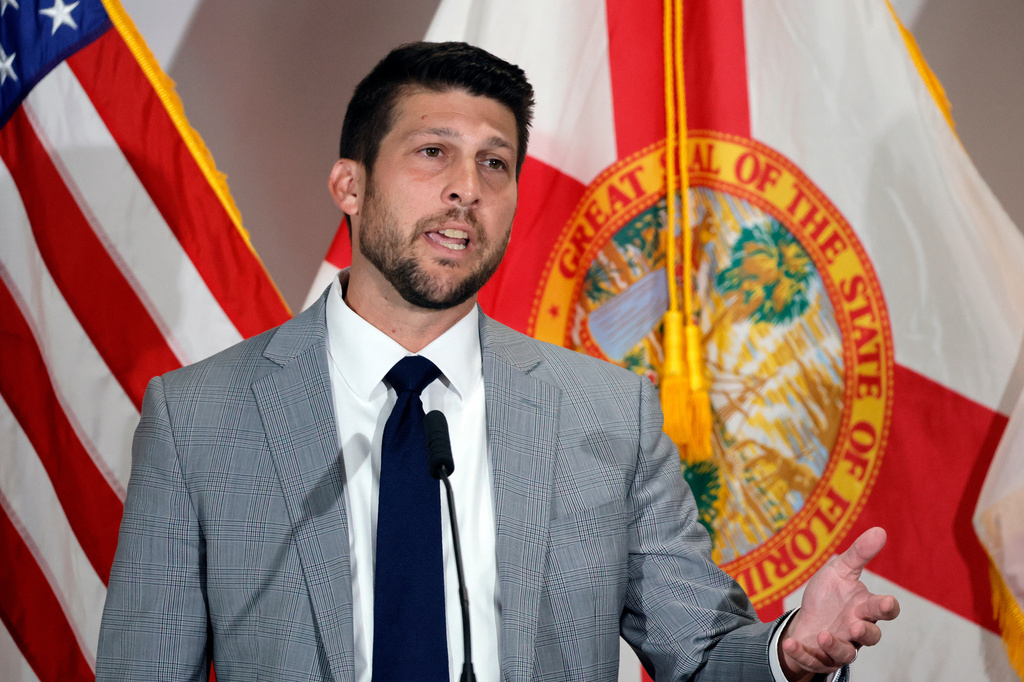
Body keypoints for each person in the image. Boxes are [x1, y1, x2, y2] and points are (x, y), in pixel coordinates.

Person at [96, 42, 899, 682]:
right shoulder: (199, 417)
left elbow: (700, 652)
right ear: (349, 184)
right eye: (432, 152)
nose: (466, 189)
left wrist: (787, 648)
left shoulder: (608, 415)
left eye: (495, 163)